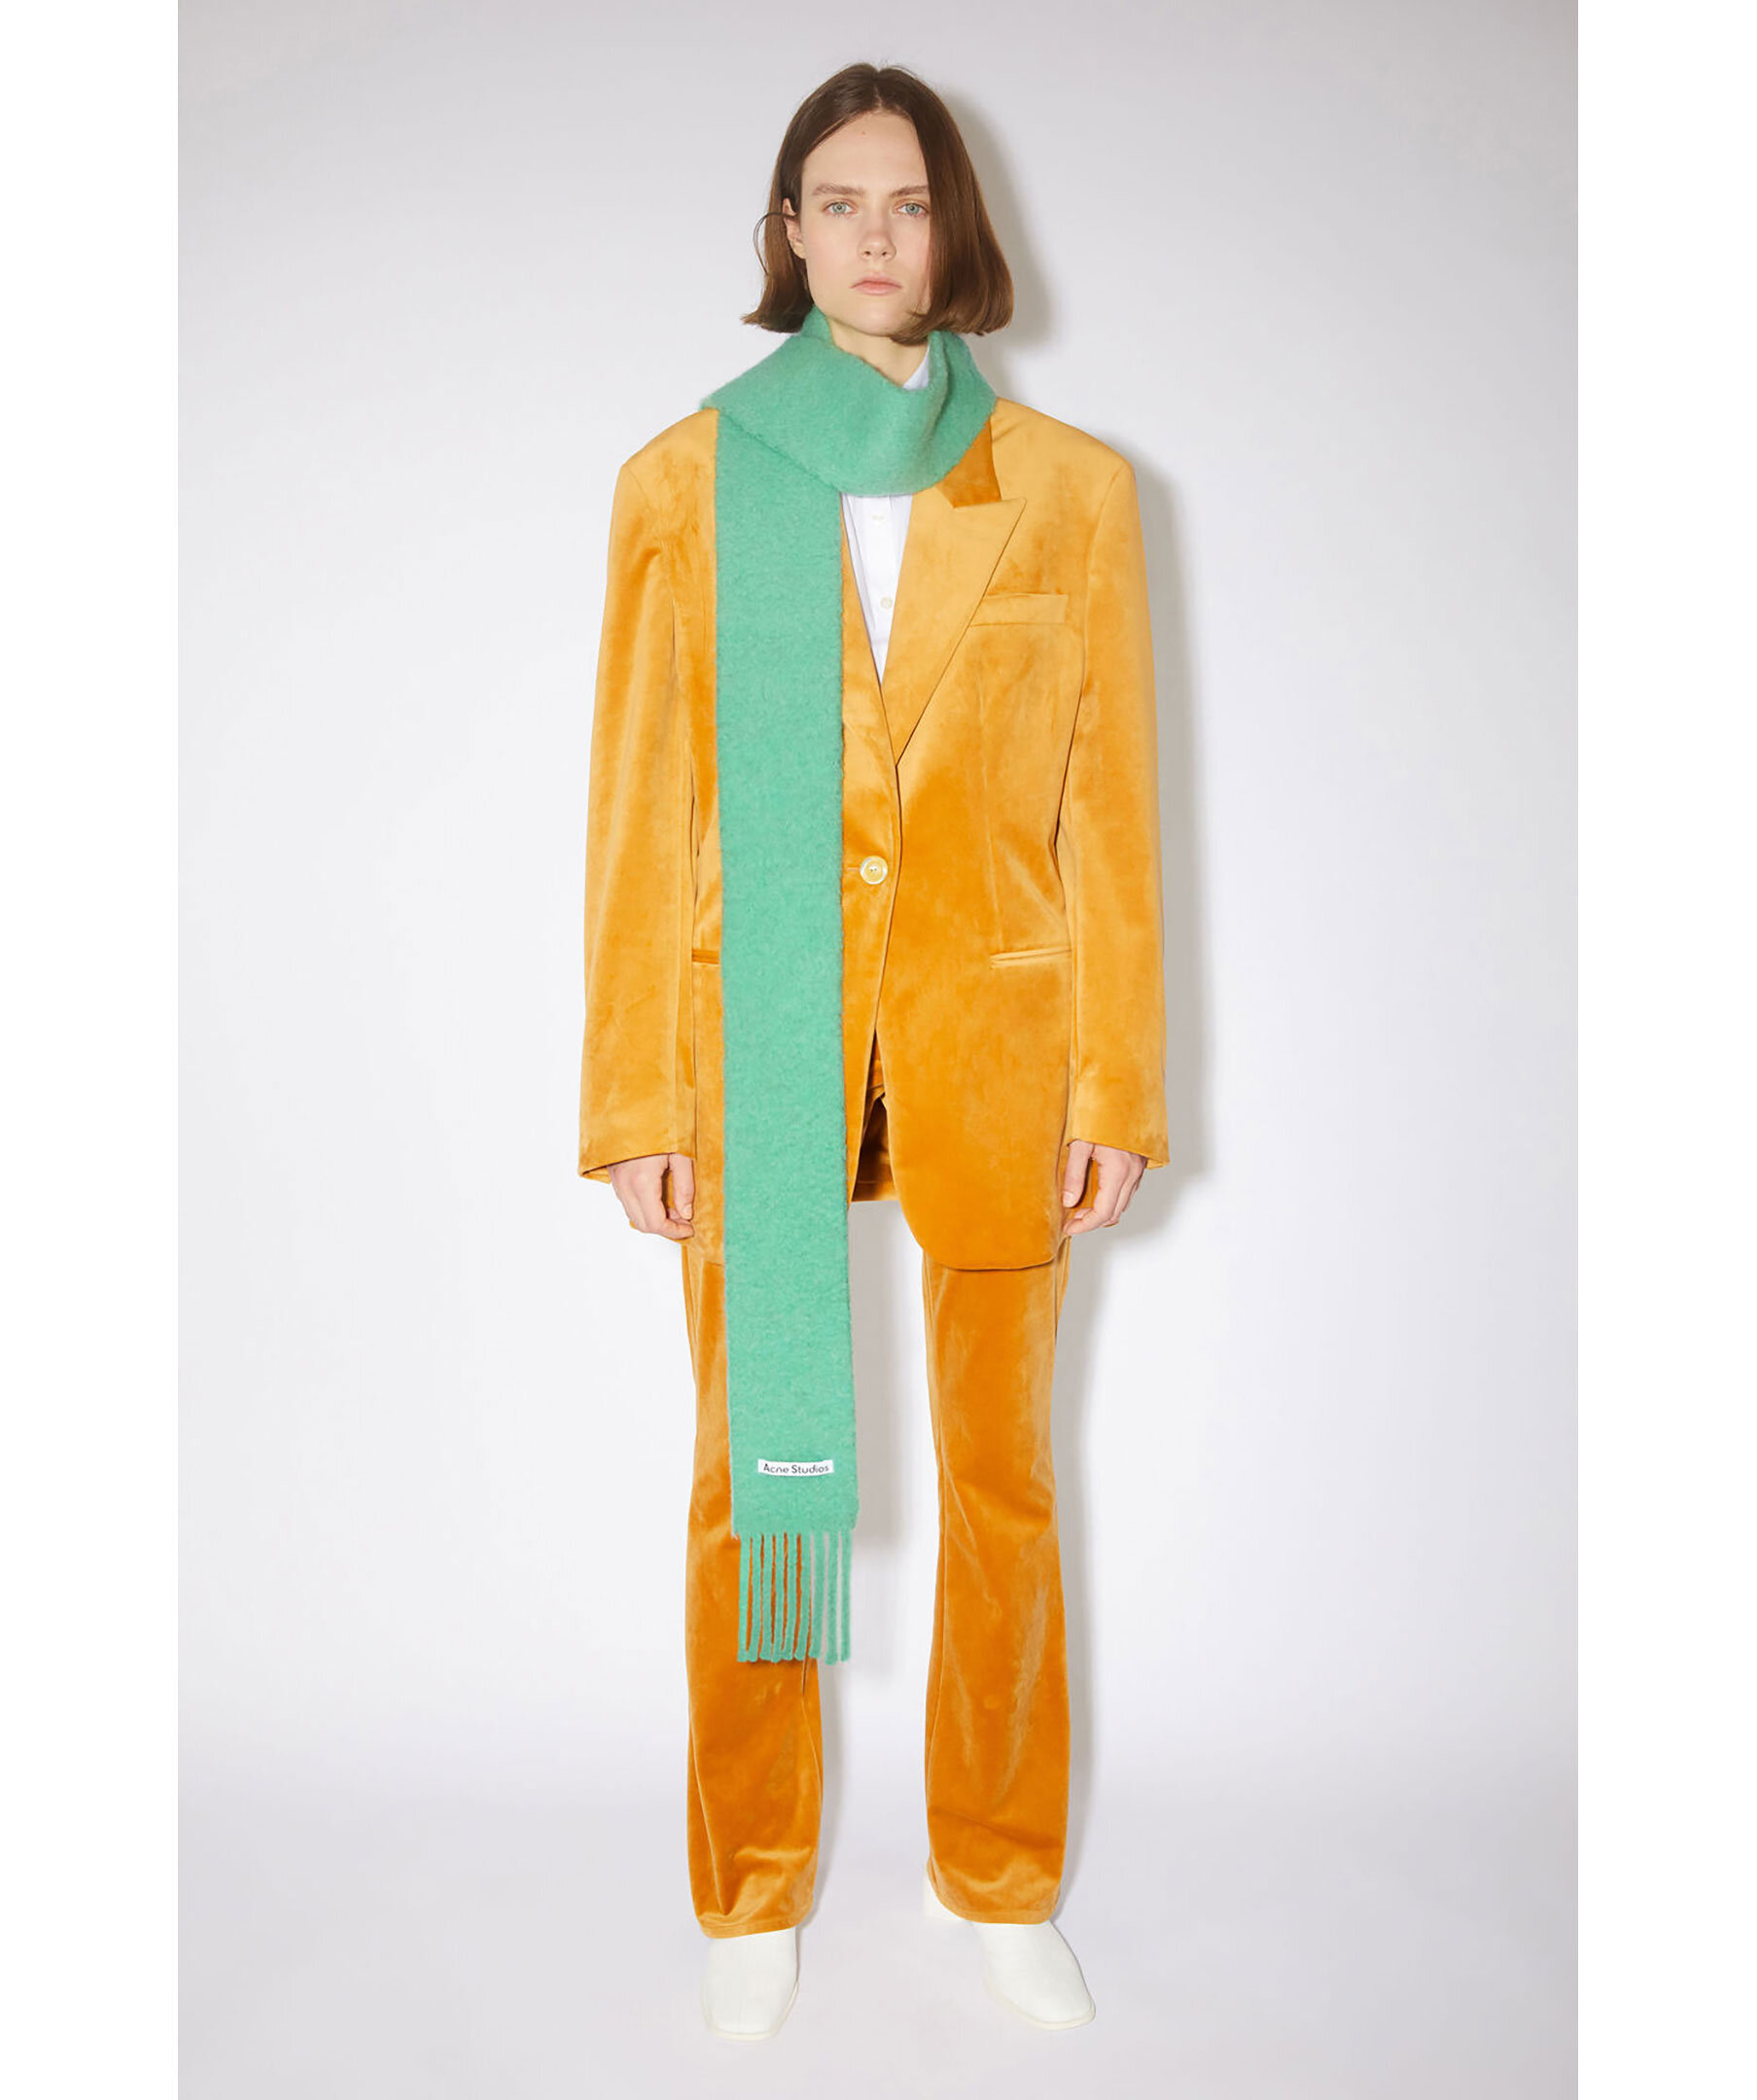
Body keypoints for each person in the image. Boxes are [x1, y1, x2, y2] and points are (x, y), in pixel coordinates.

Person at [577, 61, 1167, 2040]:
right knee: (755, 1484)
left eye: (907, 202)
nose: (874, 235)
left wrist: (1116, 1083)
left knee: (1003, 1481)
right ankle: (749, 1885)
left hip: (1001, 1050)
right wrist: (634, 1100)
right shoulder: (689, 479)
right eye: (837, 203)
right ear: (789, 233)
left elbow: (1111, 818)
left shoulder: (1071, 491)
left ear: (953, 229)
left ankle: (997, 1873)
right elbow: (641, 810)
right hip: (757, 1049)